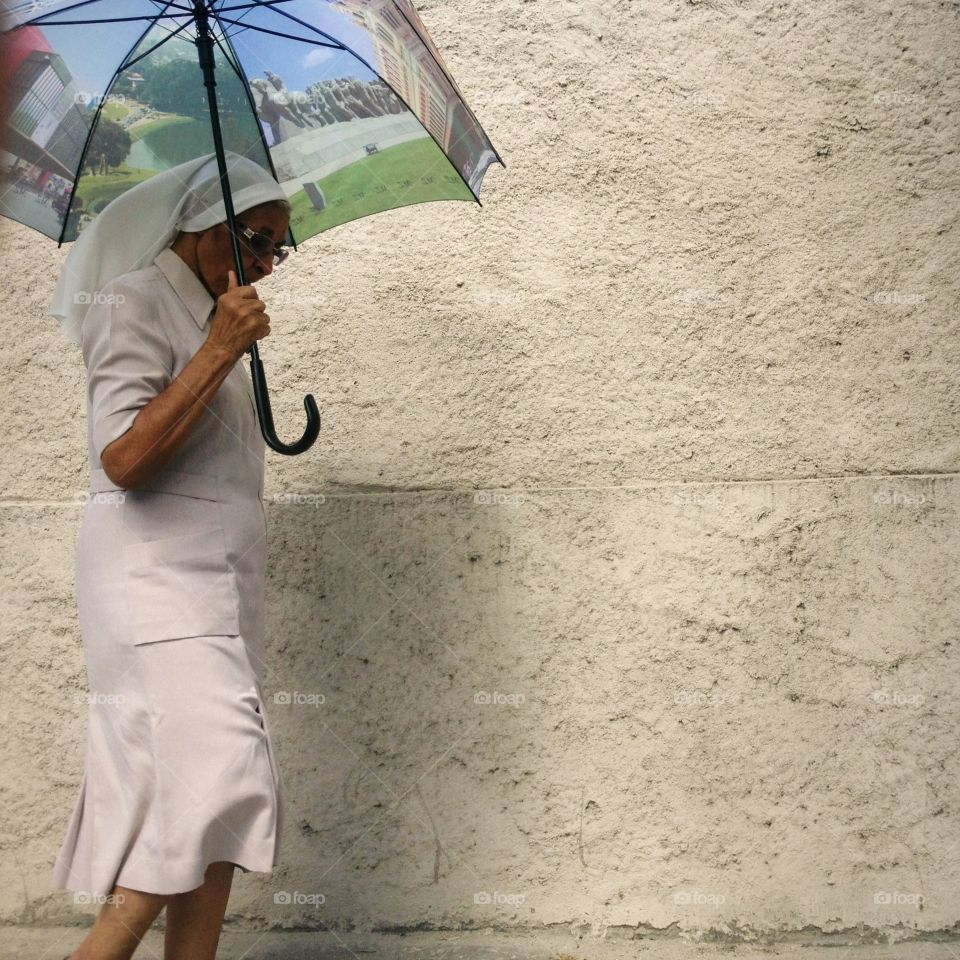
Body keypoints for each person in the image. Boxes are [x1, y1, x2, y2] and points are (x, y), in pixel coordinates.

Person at [47, 151, 292, 960]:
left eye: (277, 251)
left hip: (219, 589)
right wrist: (218, 350)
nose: (264, 264)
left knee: (206, 813)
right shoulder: (133, 302)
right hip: (150, 584)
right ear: (203, 226)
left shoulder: (217, 313)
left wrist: (223, 340)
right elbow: (122, 459)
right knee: (220, 779)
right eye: (255, 241)